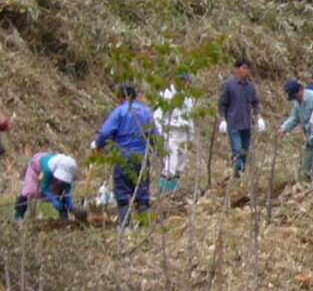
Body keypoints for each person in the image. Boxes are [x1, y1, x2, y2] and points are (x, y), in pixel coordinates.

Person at [94, 83, 156, 226]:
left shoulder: (119, 112)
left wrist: (98, 144)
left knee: (122, 193)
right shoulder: (146, 112)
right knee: (142, 192)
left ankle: (125, 226)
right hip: (142, 157)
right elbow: (154, 135)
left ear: (122, 97)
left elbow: (105, 133)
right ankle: (144, 226)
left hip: (123, 156)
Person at [214, 57, 260, 177]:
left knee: (245, 151)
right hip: (233, 123)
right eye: (244, 68)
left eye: (248, 69)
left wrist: (258, 117)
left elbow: (255, 102)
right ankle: (239, 173)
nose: (246, 71)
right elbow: (222, 103)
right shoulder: (229, 85)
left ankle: (239, 174)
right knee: (237, 150)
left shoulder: (250, 86)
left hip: (246, 123)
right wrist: (223, 119)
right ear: (237, 69)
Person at [153, 76, 196, 191]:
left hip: (183, 132)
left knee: (179, 166)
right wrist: (160, 134)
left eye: (185, 80)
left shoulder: (188, 97)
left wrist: (190, 138)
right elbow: (157, 117)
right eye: (180, 80)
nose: (183, 83)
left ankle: (173, 192)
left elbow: (190, 118)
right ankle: (162, 193)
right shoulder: (165, 95)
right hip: (169, 131)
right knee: (170, 164)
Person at [279, 78, 313, 181]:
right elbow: (294, 118)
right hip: (310, 138)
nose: (297, 98)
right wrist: (284, 128)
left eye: (297, 95)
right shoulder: (297, 103)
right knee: (307, 166)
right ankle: (309, 183)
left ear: (301, 89)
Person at [15, 151, 79, 219]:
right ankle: (19, 214)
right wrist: (54, 201)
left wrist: (70, 205)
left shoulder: (69, 170)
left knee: (59, 191)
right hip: (36, 171)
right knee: (29, 191)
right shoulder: (48, 168)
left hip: (52, 175)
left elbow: (67, 189)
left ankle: (63, 215)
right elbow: (44, 188)